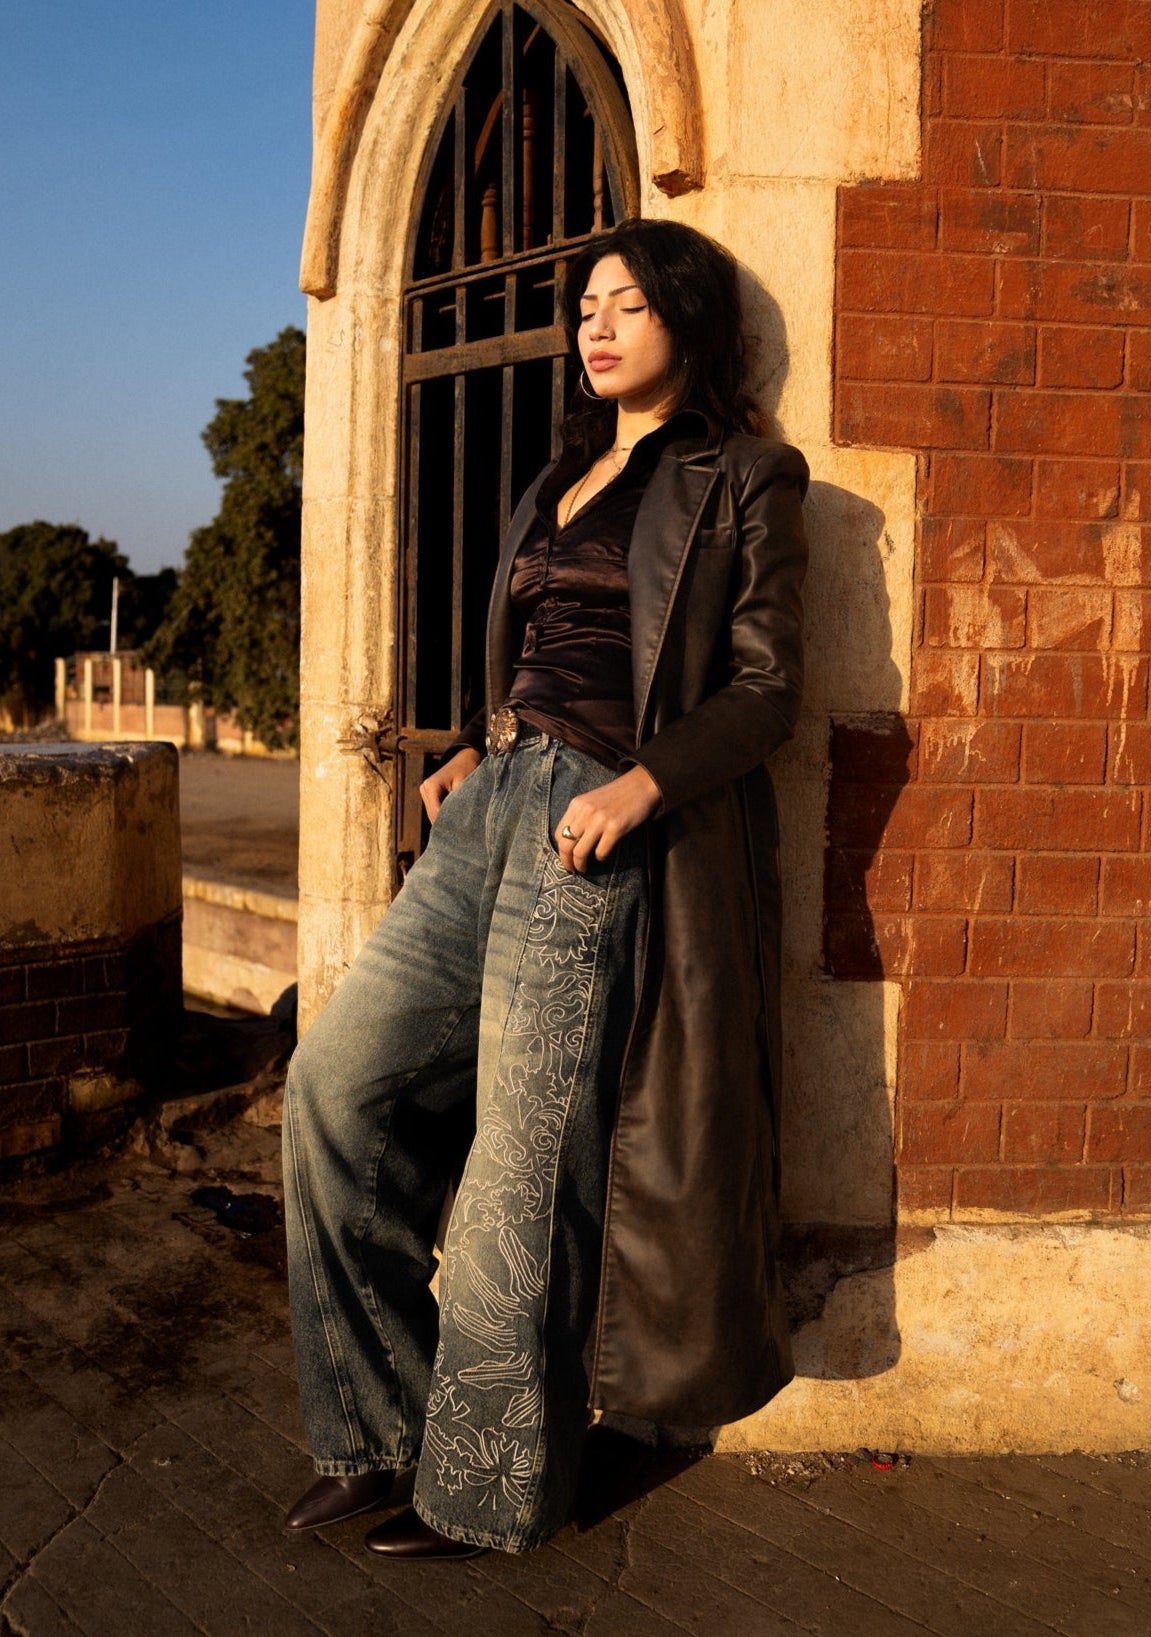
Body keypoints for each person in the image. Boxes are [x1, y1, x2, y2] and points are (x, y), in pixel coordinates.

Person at [281, 217, 809, 1559]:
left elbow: (764, 691)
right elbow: (538, 647)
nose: (597, 323)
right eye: (586, 304)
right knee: (332, 1087)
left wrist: (642, 784)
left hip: (594, 823)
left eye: (628, 303)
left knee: (525, 1164)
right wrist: (469, 745)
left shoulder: (747, 475)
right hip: (492, 808)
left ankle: (486, 1483)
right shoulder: (555, 478)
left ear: (690, 323)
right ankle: (379, 1427)